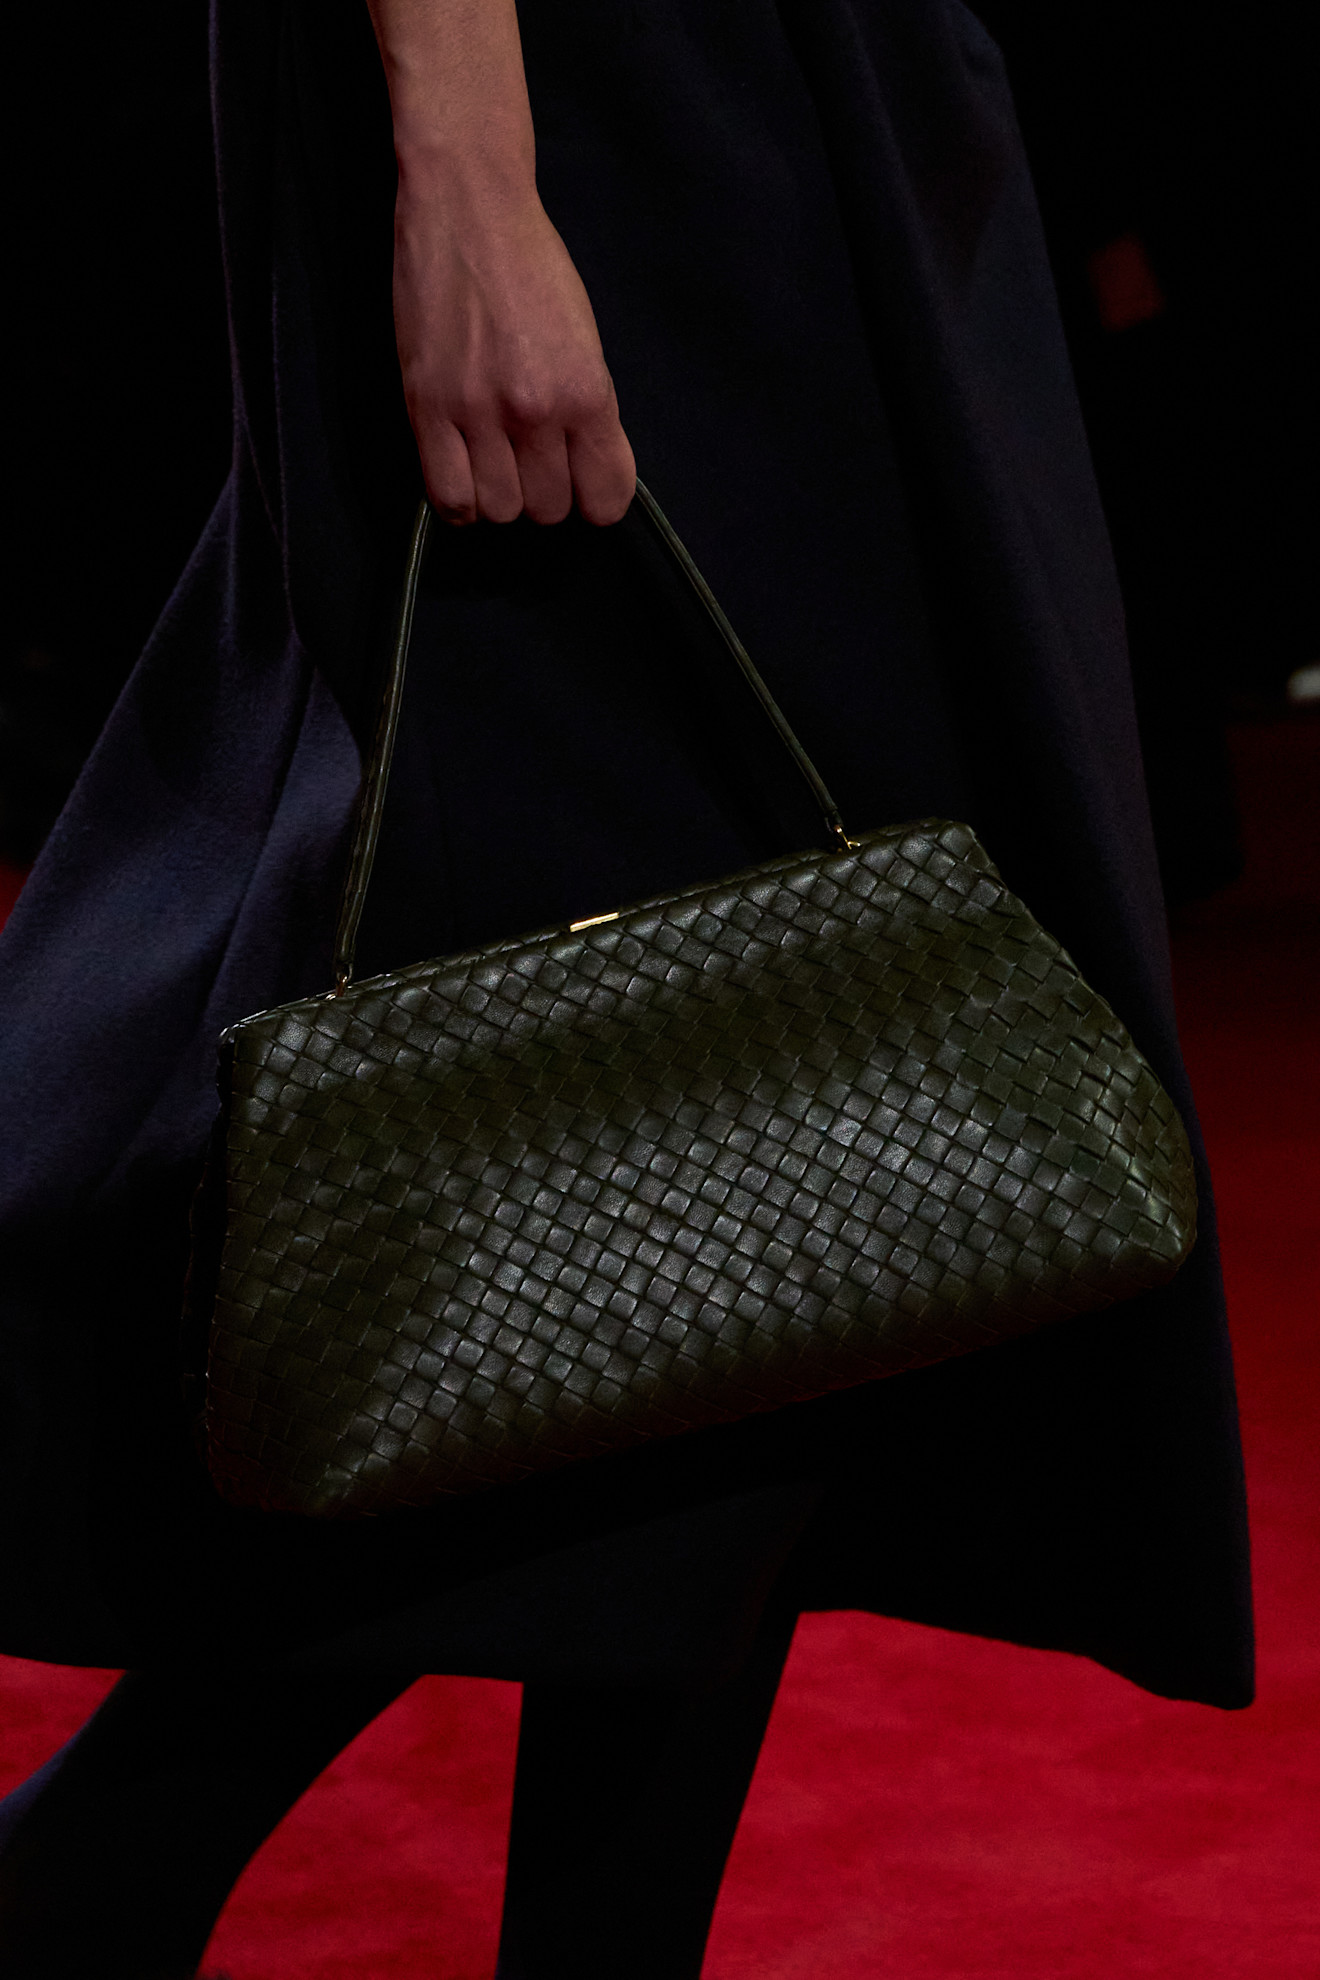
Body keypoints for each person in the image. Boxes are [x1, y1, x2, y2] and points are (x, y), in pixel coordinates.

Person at [0, 2, 1252, 1975]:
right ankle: (100, 1866)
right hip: (602, 99)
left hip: (832, 103)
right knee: (628, 1026)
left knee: (788, 1096)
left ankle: (151, 1884)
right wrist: (469, 164)